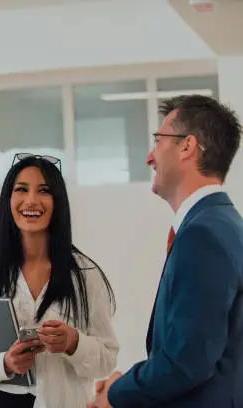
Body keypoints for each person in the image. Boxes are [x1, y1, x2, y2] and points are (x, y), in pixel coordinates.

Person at [88, 95, 243, 408]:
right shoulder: (224, 224)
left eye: (158, 140)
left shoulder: (203, 235)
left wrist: (116, 394)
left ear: (187, 147)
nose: (149, 156)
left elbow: (188, 362)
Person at [0, 153, 119, 408]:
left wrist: (73, 342)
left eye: (44, 191)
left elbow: (107, 359)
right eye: (21, 189)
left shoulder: (84, 275)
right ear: (9, 200)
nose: (31, 200)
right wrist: (5, 363)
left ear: (58, 202)